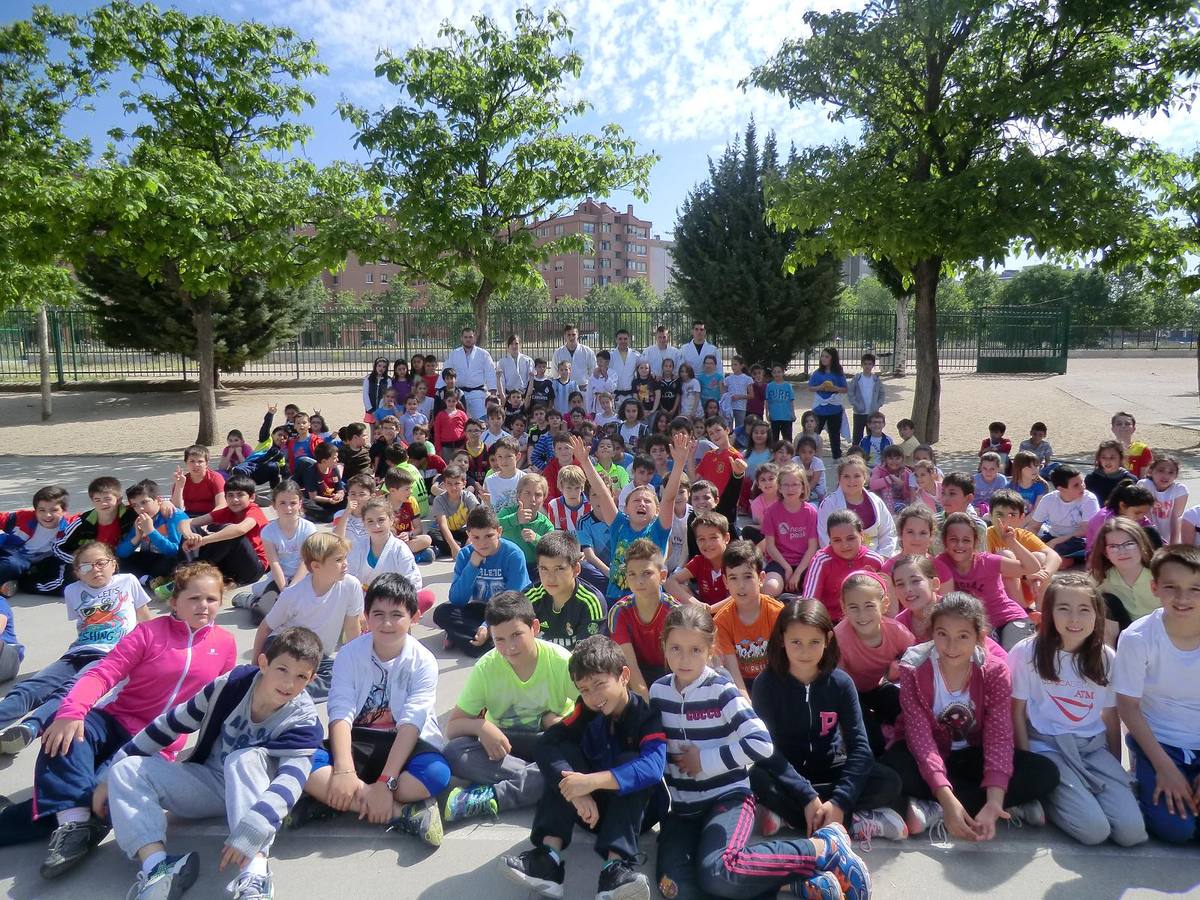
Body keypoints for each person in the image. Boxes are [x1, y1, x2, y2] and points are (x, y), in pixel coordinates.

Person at [17, 563, 236, 877]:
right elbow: (103, 673)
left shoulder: (225, 644)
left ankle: (57, 820)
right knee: (62, 735)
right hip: (115, 720)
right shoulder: (149, 632)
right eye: (194, 598)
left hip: (158, 742)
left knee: (103, 795)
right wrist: (70, 712)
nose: (203, 605)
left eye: (211, 599)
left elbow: (221, 704)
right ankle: (76, 825)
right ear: (175, 602)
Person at [650, 604, 871, 900]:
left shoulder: (721, 689)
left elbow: (760, 743)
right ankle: (795, 885)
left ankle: (822, 848)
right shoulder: (658, 692)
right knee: (674, 888)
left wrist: (704, 760)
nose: (684, 659)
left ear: (710, 649)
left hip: (725, 798)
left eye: (695, 650)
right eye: (675, 648)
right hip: (682, 808)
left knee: (718, 873)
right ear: (663, 645)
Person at [104, 626, 324, 900]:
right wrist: (110, 778)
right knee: (126, 768)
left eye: (301, 676)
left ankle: (255, 875)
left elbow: (290, 781)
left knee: (242, 757)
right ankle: (160, 867)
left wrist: (254, 828)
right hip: (207, 783)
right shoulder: (230, 686)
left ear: (311, 679)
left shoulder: (304, 721)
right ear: (264, 663)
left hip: (255, 798)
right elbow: (171, 724)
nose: (289, 683)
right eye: (282, 669)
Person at [880, 592, 1060, 841]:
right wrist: (946, 796)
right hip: (926, 753)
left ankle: (955, 807)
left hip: (974, 753)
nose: (951, 647)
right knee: (891, 772)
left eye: (963, 636)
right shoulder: (913, 667)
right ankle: (974, 805)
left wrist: (995, 796)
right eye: (942, 634)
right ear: (932, 633)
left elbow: (999, 737)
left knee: (1045, 772)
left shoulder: (995, 671)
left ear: (979, 637)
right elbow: (919, 738)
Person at [500, 634, 666, 900]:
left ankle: (615, 870)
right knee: (563, 755)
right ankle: (548, 860)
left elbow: (653, 767)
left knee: (630, 762)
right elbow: (547, 745)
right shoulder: (587, 710)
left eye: (600, 684)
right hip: (591, 812)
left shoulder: (646, 716)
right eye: (585, 689)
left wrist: (591, 782)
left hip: (638, 815)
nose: (594, 697)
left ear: (624, 675)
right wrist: (577, 791)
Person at [295, 573, 450, 848]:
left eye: (396, 614)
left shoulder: (423, 661)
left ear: (413, 617)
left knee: (437, 774)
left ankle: (336, 800)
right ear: (366, 616)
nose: (386, 623)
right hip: (359, 739)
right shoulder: (349, 654)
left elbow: (412, 723)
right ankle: (402, 814)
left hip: (405, 743)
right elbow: (340, 711)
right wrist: (344, 770)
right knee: (299, 762)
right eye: (377, 614)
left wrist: (386, 783)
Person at [752, 598, 908, 844]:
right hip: (790, 775)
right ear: (781, 640)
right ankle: (851, 822)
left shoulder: (840, 682)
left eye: (814, 642)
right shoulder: (766, 684)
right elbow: (766, 751)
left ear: (827, 640)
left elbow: (860, 748)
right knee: (757, 778)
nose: (805, 651)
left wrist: (840, 802)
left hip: (832, 769)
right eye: (796, 642)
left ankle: (799, 817)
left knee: (889, 781)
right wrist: (806, 796)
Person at [1008, 573, 1147, 847]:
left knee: (1131, 833)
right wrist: (1029, 770)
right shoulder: (1027, 653)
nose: (1074, 619)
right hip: (1048, 748)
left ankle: (1086, 791)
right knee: (1094, 831)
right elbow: (1017, 713)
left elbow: (1110, 716)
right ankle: (1047, 799)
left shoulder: (1106, 657)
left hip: (1091, 749)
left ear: (1097, 615)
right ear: (1048, 613)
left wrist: (1114, 765)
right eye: (1064, 609)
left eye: (1084, 610)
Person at [0, 543, 152, 756]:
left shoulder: (128, 581)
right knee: (32, 686)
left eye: (101, 563)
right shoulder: (72, 591)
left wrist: (150, 655)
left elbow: (144, 619)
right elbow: (84, 626)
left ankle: (29, 728)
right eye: (87, 567)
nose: (95, 569)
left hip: (112, 656)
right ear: (78, 573)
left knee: (71, 690)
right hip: (77, 652)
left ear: (113, 564)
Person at [441, 591, 578, 823]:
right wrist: (481, 727)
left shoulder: (561, 661)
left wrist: (565, 724)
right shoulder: (486, 667)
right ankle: (546, 779)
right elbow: (453, 727)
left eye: (517, 635)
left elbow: (593, 712)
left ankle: (494, 796)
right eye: (499, 639)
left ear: (534, 627)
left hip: (550, 740)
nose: (509, 647)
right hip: (503, 745)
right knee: (454, 753)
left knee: (582, 751)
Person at [1114, 543, 1200, 844]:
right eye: (1171, 587)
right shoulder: (1138, 637)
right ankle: (1143, 778)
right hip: (1160, 744)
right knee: (1177, 831)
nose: (1183, 598)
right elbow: (1128, 707)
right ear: (1155, 588)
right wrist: (1166, 768)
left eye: (1195, 588)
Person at [573, 433, 691, 603]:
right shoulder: (619, 524)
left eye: (647, 501)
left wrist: (679, 463)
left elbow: (669, 498)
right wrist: (585, 462)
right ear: (626, 508)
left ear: (657, 510)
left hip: (651, 599)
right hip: (616, 599)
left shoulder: (659, 528)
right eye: (636, 500)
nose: (641, 503)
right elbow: (601, 491)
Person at [252, 532, 363, 701]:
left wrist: (357, 664)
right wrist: (254, 666)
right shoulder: (294, 594)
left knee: (341, 679)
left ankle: (285, 690)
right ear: (316, 566)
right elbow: (265, 627)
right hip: (285, 647)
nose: (346, 564)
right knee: (284, 670)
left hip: (317, 656)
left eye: (345, 558)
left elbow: (352, 625)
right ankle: (284, 688)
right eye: (338, 560)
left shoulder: (351, 585)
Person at [835, 572, 915, 757]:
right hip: (850, 694)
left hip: (878, 685)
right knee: (870, 740)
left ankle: (900, 737)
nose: (862, 615)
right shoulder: (839, 638)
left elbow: (916, 659)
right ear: (843, 607)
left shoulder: (896, 631)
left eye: (869, 606)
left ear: (884, 604)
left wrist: (899, 667)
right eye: (853, 607)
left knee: (906, 708)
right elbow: (839, 685)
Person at [934, 512, 1040, 650]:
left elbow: (1032, 568)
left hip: (1007, 618)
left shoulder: (987, 561)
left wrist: (1012, 542)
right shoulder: (940, 563)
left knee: (1014, 653)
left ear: (975, 542)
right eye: (954, 539)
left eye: (966, 540)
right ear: (945, 541)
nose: (960, 545)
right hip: (972, 626)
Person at [434, 506, 531, 657]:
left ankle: (468, 636)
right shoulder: (465, 555)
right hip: (478, 609)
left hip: (508, 611)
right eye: (476, 537)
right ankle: (489, 639)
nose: (482, 543)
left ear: (499, 532)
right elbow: (457, 599)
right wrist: (472, 566)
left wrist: (488, 625)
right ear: (468, 535)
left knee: (517, 622)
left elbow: (514, 598)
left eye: (489, 536)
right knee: (441, 612)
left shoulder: (513, 554)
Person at [234, 480, 315, 626]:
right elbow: (274, 562)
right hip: (279, 580)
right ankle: (252, 601)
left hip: (304, 579)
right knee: (260, 617)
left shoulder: (308, 529)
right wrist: (284, 589)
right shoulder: (269, 531)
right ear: (274, 505)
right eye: (282, 503)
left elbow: (306, 561)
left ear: (300, 504)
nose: (288, 508)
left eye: (293, 503)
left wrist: (293, 587)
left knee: (305, 611)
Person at [606, 539, 679, 699]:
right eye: (632, 574)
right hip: (635, 675)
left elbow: (681, 667)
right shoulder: (619, 612)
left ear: (662, 576)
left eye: (647, 573)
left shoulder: (676, 613)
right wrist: (647, 710)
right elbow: (631, 667)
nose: (639, 581)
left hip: (670, 675)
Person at [712, 541, 783, 696]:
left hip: (776, 680)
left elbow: (785, 664)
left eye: (748, 576)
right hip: (743, 683)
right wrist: (747, 704)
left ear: (761, 578)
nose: (741, 585)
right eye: (733, 578)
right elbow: (733, 673)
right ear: (725, 582)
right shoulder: (721, 621)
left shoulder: (777, 613)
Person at [346, 498, 435, 616]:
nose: (376, 525)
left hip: (394, 602)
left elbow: (413, 581)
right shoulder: (358, 547)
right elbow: (349, 580)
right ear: (364, 523)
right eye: (370, 521)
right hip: (365, 603)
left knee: (427, 597)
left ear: (391, 520)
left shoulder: (400, 549)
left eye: (381, 520)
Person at [180, 473, 269, 588]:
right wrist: (190, 535)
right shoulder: (226, 511)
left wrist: (204, 540)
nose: (235, 499)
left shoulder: (254, 511)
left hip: (252, 568)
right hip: (230, 563)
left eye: (240, 495)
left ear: (251, 497)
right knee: (194, 529)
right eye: (230, 495)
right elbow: (186, 522)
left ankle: (193, 573)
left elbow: (240, 530)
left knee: (231, 533)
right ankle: (185, 572)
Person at [524, 532, 607, 651]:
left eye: (559, 569)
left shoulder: (592, 602)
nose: (550, 578)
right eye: (544, 569)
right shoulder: (528, 597)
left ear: (576, 569)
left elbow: (587, 657)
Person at [803, 510, 887, 623]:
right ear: (830, 539)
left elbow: (886, 597)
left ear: (861, 535)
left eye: (851, 538)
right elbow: (810, 601)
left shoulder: (874, 561)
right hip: (830, 622)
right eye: (837, 540)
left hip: (867, 619)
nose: (845, 545)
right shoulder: (821, 561)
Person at [1089, 517, 1158, 638]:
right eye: (1113, 547)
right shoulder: (1102, 577)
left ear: (1142, 545)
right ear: (1105, 553)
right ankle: (1110, 653)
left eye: (1129, 544)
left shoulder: (1160, 573)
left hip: (1163, 629)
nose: (1122, 551)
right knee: (1105, 601)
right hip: (1126, 634)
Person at [0, 485, 75, 598]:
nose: (47, 515)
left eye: (54, 510)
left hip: (42, 564)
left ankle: (19, 583)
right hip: (14, 557)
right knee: (11, 565)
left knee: (68, 584)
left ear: (64, 510)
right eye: (42, 510)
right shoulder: (22, 518)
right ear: (35, 510)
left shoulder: (72, 525)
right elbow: (2, 518)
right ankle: (7, 582)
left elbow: (96, 520)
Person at [817, 456, 898, 556]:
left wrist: (882, 557)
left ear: (865, 478)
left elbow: (888, 532)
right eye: (846, 476)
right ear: (839, 478)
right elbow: (824, 537)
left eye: (857, 476)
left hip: (877, 557)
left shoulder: (876, 501)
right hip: (842, 559)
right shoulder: (829, 504)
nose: (851, 481)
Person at [761, 464, 820, 596]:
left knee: (815, 588)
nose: (790, 489)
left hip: (805, 563)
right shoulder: (771, 512)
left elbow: (812, 547)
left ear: (803, 487)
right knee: (769, 588)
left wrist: (797, 573)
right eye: (786, 485)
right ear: (779, 488)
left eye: (795, 484)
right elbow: (770, 546)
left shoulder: (811, 512)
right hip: (779, 562)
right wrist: (787, 568)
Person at [116, 479, 188, 586]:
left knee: (171, 562)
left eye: (144, 502)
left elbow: (174, 551)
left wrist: (151, 531)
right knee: (117, 561)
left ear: (158, 500)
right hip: (151, 558)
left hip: (171, 559)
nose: (140, 508)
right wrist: (137, 537)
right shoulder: (140, 519)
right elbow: (121, 552)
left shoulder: (172, 515)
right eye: (135, 505)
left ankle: (149, 579)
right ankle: (148, 580)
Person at [55, 476, 138, 563]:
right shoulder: (83, 523)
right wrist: (81, 562)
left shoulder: (129, 515)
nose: (103, 503)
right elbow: (58, 548)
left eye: (107, 499)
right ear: (92, 502)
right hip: (89, 566)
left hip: (119, 559)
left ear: (119, 500)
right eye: (97, 500)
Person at [1030, 465, 1100, 562]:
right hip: (1054, 536)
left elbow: (1085, 530)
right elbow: (1034, 527)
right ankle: (1062, 560)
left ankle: (1060, 559)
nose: (1082, 487)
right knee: (1036, 546)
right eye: (1076, 485)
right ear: (1061, 489)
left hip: (1078, 539)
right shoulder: (1048, 499)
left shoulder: (1089, 499)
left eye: (1082, 482)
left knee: (1064, 548)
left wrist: (1056, 541)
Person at [667, 511, 733, 607]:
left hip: (729, 614)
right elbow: (670, 582)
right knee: (681, 588)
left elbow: (738, 595)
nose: (707, 544)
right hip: (704, 612)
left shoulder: (735, 561)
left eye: (713, 538)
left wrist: (711, 609)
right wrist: (697, 604)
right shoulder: (699, 561)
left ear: (726, 538)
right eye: (701, 539)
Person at [439, 327, 497, 420]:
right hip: (459, 394)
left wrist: (493, 392)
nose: (468, 339)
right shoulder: (455, 354)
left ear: (474, 338)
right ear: (461, 338)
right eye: (466, 337)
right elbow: (446, 371)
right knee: (461, 421)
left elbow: (490, 372)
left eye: (470, 337)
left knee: (481, 420)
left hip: (478, 394)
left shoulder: (483, 354)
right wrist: (439, 389)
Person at [430, 465, 480, 559]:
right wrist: (453, 545)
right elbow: (443, 525)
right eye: (449, 484)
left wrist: (469, 543)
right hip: (448, 533)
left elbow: (474, 522)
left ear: (464, 484)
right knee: (432, 534)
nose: (453, 488)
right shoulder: (439, 500)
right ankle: (455, 548)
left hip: (466, 531)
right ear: (444, 484)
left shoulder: (468, 497)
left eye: (457, 483)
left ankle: (457, 549)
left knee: (478, 534)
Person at [807, 347, 848, 460]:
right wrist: (820, 387)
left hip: (834, 408)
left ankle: (837, 456)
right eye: (822, 356)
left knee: (834, 434)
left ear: (832, 358)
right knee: (814, 432)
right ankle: (809, 455)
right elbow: (810, 388)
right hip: (819, 409)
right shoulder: (817, 373)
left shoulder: (838, 373)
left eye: (827, 356)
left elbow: (845, 389)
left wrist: (834, 388)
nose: (823, 359)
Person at [1138, 454, 1187, 545]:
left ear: (1176, 475)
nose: (1165, 475)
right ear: (1151, 471)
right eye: (1161, 470)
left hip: (1170, 537)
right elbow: (1145, 515)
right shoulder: (1144, 485)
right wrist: (1152, 540)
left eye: (1171, 472)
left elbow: (1175, 518)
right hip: (1147, 535)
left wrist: (1173, 545)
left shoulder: (1180, 490)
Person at [171, 445, 226, 518]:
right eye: (192, 461)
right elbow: (177, 509)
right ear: (186, 462)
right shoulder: (182, 480)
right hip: (189, 516)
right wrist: (179, 486)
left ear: (206, 463)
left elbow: (221, 505)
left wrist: (204, 521)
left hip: (212, 516)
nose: (196, 465)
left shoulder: (215, 478)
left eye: (200, 461)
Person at [846, 353, 885, 449]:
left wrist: (878, 405)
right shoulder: (857, 378)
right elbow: (850, 392)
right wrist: (855, 404)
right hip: (859, 412)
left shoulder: (876, 379)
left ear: (873, 365)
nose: (867, 366)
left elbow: (882, 393)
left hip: (872, 413)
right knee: (857, 436)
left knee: (872, 435)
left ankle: (871, 454)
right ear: (862, 364)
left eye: (870, 364)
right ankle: (855, 454)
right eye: (865, 364)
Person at [300, 442, 345, 524]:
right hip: (319, 503)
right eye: (334, 458)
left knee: (350, 494)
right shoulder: (311, 472)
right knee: (304, 502)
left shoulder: (334, 469)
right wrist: (329, 500)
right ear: (324, 461)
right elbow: (313, 497)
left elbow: (340, 489)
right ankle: (327, 515)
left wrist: (339, 495)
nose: (337, 460)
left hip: (333, 501)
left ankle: (331, 515)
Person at [1086, 439, 1136, 507]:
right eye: (1104, 457)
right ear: (1099, 459)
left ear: (1120, 458)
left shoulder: (1130, 479)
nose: (1107, 461)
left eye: (1112, 458)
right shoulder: (1091, 478)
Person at [553, 323, 597, 393]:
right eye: (568, 335)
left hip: (583, 389)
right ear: (565, 336)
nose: (571, 337)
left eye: (573, 334)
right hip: (564, 389)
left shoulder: (587, 351)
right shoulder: (558, 353)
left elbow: (593, 370)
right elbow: (555, 373)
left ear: (578, 335)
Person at [1110, 411, 1154, 479]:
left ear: (1134, 429)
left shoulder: (1142, 449)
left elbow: (1144, 478)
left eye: (1127, 424)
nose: (1123, 426)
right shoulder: (1107, 449)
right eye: (1119, 424)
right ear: (1112, 429)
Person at [764, 364, 796, 444]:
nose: (777, 374)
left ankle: (788, 454)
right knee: (774, 439)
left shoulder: (788, 386)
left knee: (787, 438)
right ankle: (775, 455)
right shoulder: (769, 386)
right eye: (775, 372)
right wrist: (767, 413)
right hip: (774, 416)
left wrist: (793, 414)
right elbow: (767, 401)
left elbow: (791, 401)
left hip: (786, 416)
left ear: (783, 372)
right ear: (772, 373)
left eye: (779, 372)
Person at [608, 330, 641, 405]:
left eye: (625, 339)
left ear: (629, 339)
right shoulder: (610, 355)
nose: (623, 341)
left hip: (630, 394)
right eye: (620, 339)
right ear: (616, 340)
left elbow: (643, 369)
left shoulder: (636, 355)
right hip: (615, 395)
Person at [362, 356, 393, 424]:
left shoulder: (388, 380)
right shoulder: (368, 378)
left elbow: (387, 395)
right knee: (373, 431)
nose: (381, 368)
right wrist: (370, 409)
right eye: (379, 366)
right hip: (371, 410)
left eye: (384, 367)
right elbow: (365, 394)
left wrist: (380, 409)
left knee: (382, 429)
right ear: (375, 366)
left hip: (382, 409)